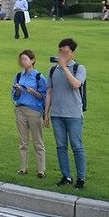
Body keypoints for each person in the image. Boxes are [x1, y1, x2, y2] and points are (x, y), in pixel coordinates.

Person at [44, 38, 87, 190]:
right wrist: (46, 113)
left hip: (74, 114)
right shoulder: (53, 70)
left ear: (73, 53)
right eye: (60, 51)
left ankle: (81, 178)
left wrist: (65, 68)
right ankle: (66, 176)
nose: (62, 54)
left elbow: (76, 84)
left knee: (77, 146)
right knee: (61, 146)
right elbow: (49, 92)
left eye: (66, 52)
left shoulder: (79, 68)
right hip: (57, 115)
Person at [11, 50, 47, 178]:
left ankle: (41, 170)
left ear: (32, 61)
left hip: (34, 112)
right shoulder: (18, 76)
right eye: (21, 59)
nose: (23, 62)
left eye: (25, 59)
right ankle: (23, 168)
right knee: (23, 141)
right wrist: (18, 91)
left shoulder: (39, 77)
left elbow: (44, 96)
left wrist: (33, 92)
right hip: (20, 110)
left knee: (38, 141)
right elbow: (14, 96)